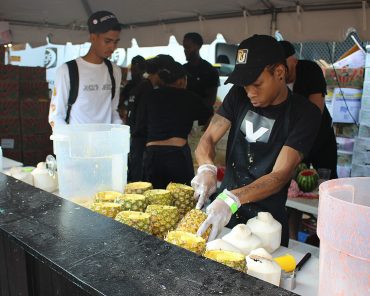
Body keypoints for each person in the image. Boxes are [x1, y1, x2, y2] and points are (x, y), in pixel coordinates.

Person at [191, 35, 322, 246]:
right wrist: (206, 167)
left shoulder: (304, 114)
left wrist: (232, 199)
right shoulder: (238, 95)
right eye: (244, 85)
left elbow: (280, 175)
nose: (250, 92)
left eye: (257, 84)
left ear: (279, 72)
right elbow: (208, 139)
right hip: (222, 214)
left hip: (266, 224)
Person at [143, 61, 212, 189]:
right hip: (176, 155)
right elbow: (211, 117)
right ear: (181, 81)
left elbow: (139, 125)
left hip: (152, 154)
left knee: (154, 199)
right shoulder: (190, 97)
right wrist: (203, 132)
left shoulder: (149, 96)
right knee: (182, 199)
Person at [49, 11, 122, 126]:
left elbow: (112, 110)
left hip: (106, 142)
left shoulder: (114, 71)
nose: (112, 47)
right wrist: (70, 141)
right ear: (93, 38)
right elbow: (56, 116)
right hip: (77, 142)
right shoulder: (67, 70)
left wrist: (119, 126)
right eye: (107, 41)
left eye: (116, 42)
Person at [279, 40, 338, 179]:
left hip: (320, 134)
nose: (280, 71)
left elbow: (315, 111)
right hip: (293, 139)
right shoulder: (274, 79)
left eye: (284, 65)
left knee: (326, 179)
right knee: (295, 181)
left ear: (294, 61)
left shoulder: (310, 70)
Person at [127, 54, 174, 182]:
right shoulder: (147, 90)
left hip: (136, 138)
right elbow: (142, 118)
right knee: (139, 179)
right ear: (160, 72)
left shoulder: (142, 87)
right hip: (141, 140)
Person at [183, 32, 220, 125]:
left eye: (187, 47)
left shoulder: (210, 70)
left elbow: (211, 100)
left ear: (197, 47)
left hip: (203, 120)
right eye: (184, 47)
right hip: (184, 117)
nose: (185, 50)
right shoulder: (182, 69)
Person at [118, 55, 146, 123]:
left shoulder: (148, 85)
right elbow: (119, 103)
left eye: (136, 70)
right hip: (131, 122)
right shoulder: (129, 86)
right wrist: (123, 112)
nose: (133, 73)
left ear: (143, 70)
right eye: (132, 70)